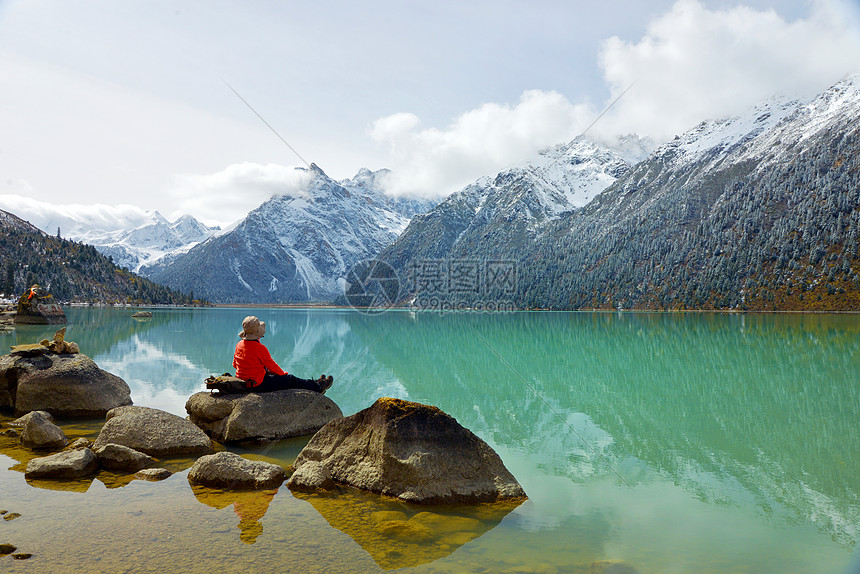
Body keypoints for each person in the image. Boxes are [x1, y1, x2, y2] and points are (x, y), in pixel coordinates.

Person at [232, 315, 332, 393]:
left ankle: (315, 383)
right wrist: (283, 375)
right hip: (258, 384)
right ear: (257, 334)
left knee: (269, 373)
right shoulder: (259, 348)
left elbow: (235, 365)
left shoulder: (239, 345)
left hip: (243, 382)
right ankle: (318, 387)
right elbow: (272, 366)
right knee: (290, 379)